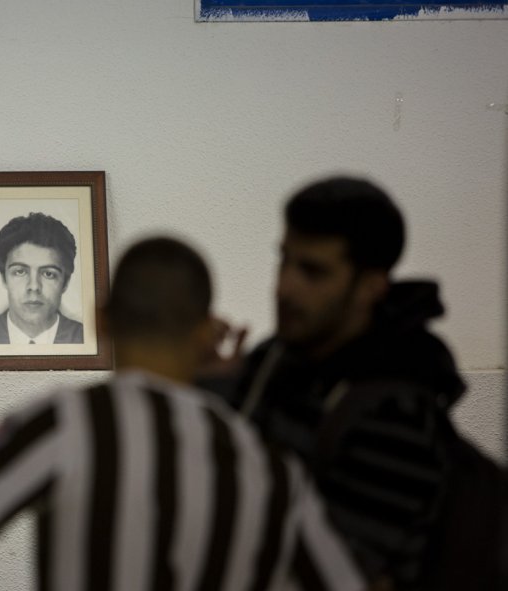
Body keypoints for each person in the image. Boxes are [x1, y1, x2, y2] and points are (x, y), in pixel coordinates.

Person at [0, 236, 365, 591]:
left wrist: (2, 443)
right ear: (204, 333)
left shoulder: (65, 423)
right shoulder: (268, 460)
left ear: (100, 320)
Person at [214, 177, 500, 590]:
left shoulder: (395, 412)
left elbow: (344, 576)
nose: (284, 286)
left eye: (312, 271)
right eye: (284, 261)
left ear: (370, 287)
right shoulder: (275, 358)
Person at [0, 212, 83, 344]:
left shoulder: (86, 340)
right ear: (3, 278)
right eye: (20, 272)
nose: (34, 286)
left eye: (48, 274)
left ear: (65, 282)